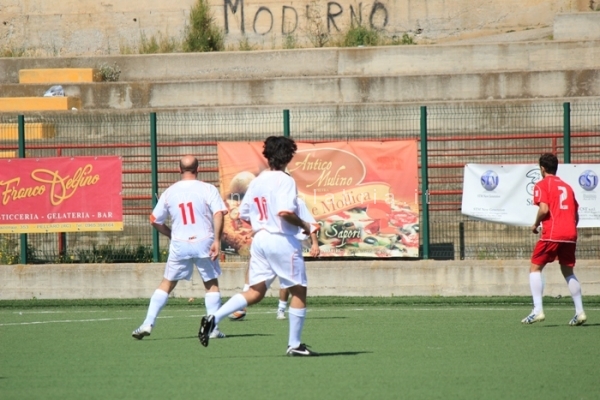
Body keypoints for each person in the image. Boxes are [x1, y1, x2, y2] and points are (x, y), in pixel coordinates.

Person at [198, 136, 320, 356]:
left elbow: (243, 213)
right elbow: (285, 212)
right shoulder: (285, 180)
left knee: (255, 292)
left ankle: (214, 317)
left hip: (260, 240)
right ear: (289, 157)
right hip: (281, 239)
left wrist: (261, 222)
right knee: (299, 291)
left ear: (267, 156)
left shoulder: (257, 181)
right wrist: (304, 225)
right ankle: (294, 345)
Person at [132, 155, 228, 339]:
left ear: (179, 169)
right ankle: (213, 329)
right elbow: (218, 213)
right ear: (198, 169)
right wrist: (216, 240)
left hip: (180, 244)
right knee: (211, 284)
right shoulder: (207, 188)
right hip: (204, 242)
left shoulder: (170, 192)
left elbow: (154, 220)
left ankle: (147, 323)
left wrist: (171, 234)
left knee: (167, 283)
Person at [229, 198, 320, 321]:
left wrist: (315, 243)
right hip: (272, 241)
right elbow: (261, 222)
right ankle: (239, 306)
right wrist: (253, 233)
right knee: (254, 273)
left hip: (290, 242)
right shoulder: (270, 200)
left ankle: (280, 309)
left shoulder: (297, 202)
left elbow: (310, 224)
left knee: (288, 282)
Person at [522, 153, 586, 326]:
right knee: (568, 271)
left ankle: (537, 310)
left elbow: (544, 209)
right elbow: (576, 215)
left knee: (535, 267)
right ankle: (580, 312)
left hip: (553, 233)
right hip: (570, 234)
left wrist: (536, 224)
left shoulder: (542, 184)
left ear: (542, 168)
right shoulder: (567, 187)